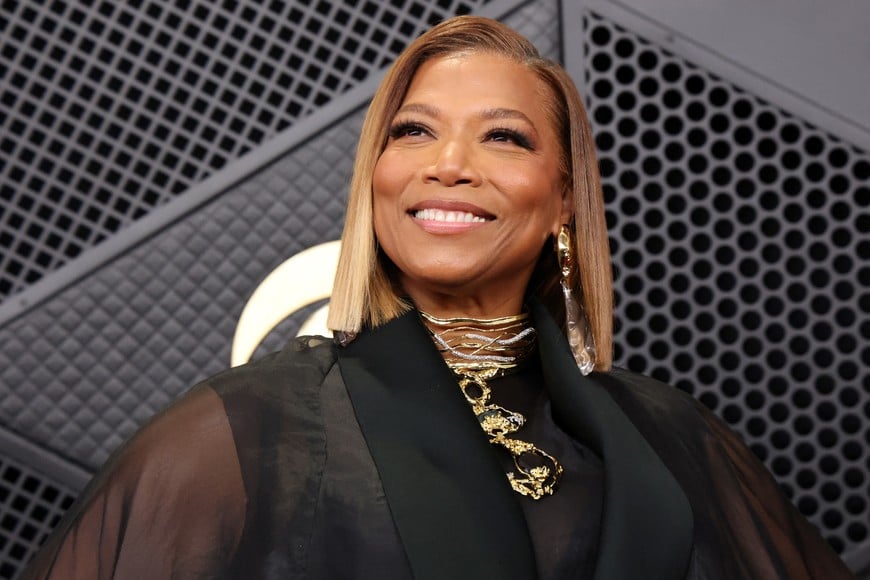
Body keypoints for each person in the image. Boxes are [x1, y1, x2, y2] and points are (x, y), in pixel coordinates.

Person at [22, 15, 854, 580]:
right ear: (375, 178)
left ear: (564, 197)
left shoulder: (672, 436)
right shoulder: (242, 438)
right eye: (413, 130)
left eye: (504, 136)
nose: (447, 163)